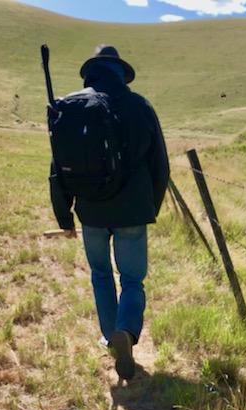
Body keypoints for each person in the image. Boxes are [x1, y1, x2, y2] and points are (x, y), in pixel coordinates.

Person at [49, 45, 169, 380]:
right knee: (132, 279)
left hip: (91, 212)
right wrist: (149, 206)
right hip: (132, 211)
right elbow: (159, 164)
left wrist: (65, 216)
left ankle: (112, 339)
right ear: (120, 72)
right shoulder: (139, 106)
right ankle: (126, 332)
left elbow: (58, 167)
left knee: (100, 275)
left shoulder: (70, 108)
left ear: (91, 71)